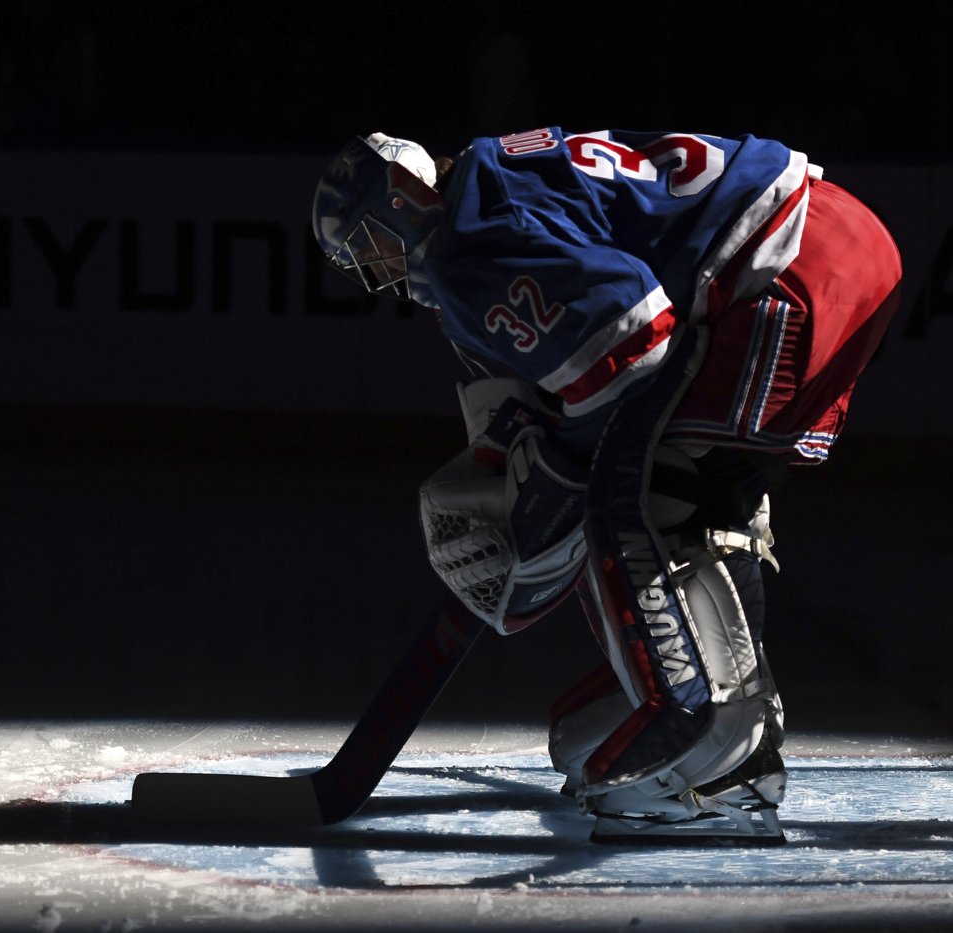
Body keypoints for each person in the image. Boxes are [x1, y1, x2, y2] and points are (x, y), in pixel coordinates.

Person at [312, 127, 901, 844]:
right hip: (823, 242)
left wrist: (548, 480)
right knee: (686, 479)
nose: (384, 269)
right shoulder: (491, 185)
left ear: (403, 195)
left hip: (784, 263)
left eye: (375, 243)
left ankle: (711, 757)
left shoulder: (466, 237)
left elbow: (633, 334)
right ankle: (720, 724)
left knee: (649, 492)